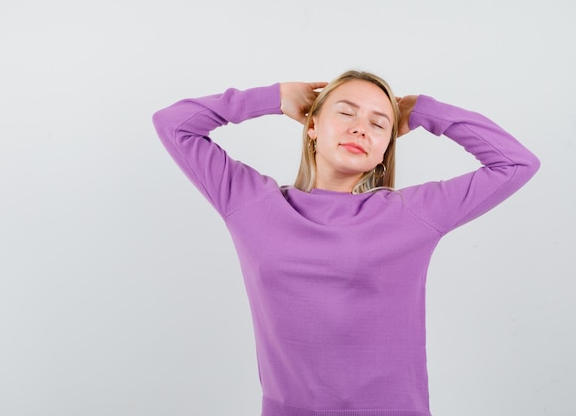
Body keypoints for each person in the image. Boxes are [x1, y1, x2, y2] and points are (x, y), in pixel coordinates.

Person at [152, 70, 540, 416]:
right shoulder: (251, 203)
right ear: (312, 125)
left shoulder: (410, 214)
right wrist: (273, 97)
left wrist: (423, 111)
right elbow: (173, 124)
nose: (360, 128)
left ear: (384, 151)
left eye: (379, 123)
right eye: (345, 112)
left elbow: (516, 163)